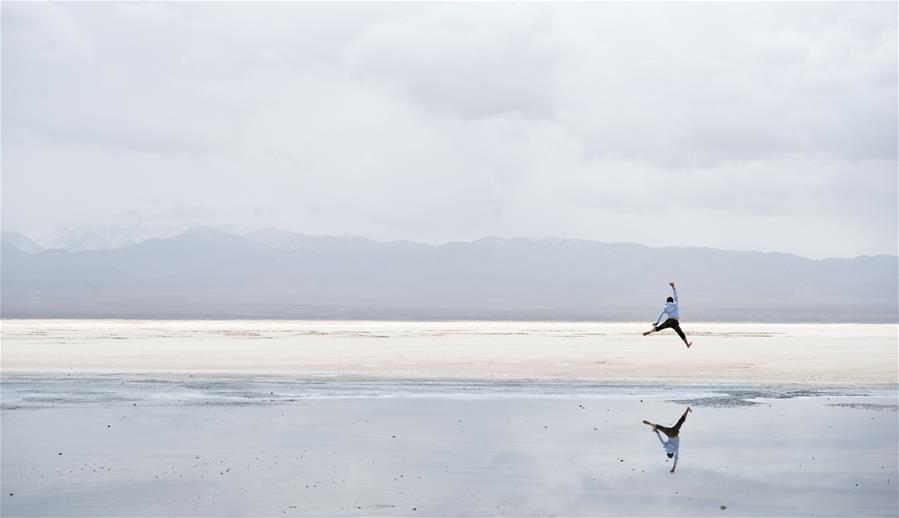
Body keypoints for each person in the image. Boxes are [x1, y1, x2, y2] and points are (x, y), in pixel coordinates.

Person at [643, 407, 692, 473]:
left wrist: (674, 468)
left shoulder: (675, 450)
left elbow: (676, 459)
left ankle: (687, 410)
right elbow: (660, 439)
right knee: (659, 427)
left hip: (675, 432)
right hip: (668, 433)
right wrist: (656, 432)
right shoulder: (665, 447)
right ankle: (653, 426)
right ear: (667, 453)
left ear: (672, 454)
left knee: (681, 421)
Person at [643, 282, 692, 348]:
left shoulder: (665, 307)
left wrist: (657, 322)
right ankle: (687, 344)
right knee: (681, 333)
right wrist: (673, 286)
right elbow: (675, 294)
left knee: (658, 328)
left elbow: (661, 314)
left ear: (667, 301)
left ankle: (650, 331)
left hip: (669, 321)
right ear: (672, 301)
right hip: (674, 322)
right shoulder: (675, 303)